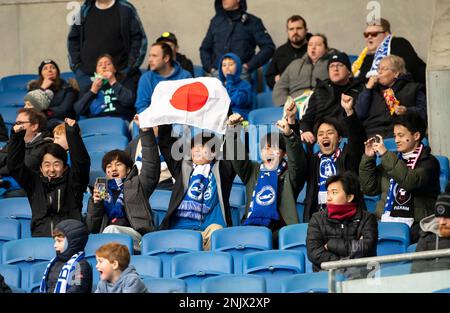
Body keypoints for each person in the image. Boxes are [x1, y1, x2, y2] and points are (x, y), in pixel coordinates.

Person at [227, 106, 307, 240]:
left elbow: (298, 161)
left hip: (281, 231)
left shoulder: (290, 174)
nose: (268, 151)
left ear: (284, 153)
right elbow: (237, 157)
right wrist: (233, 131)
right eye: (265, 148)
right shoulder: (253, 171)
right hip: (252, 229)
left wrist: (289, 135)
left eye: (274, 147)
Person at [359, 112, 441, 243]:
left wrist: (385, 154)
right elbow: (369, 188)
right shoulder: (392, 161)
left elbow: (410, 181)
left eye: (401, 135)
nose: (396, 140)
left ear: (416, 136)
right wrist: (368, 158)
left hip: (417, 224)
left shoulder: (429, 163)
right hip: (385, 220)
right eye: (395, 135)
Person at [7, 118, 90, 237]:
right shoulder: (33, 183)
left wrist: (72, 134)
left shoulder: (74, 182)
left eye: (56, 164)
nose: (51, 170)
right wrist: (16, 137)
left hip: (70, 239)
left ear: (65, 167)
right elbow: (14, 166)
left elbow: (82, 163)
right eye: (47, 165)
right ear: (40, 168)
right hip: (41, 241)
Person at [157, 125, 236, 250]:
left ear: (214, 152)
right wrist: (165, 121)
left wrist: (232, 126)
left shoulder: (222, 171)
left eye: (202, 146)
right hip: (180, 230)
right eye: (194, 147)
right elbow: (166, 143)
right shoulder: (182, 169)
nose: (197, 150)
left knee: (217, 232)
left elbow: (232, 148)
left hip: (208, 231)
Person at [86, 128, 160, 252]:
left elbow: (151, 165)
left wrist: (146, 133)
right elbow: (92, 228)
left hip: (136, 238)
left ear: (128, 169)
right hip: (109, 239)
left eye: (118, 164)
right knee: (108, 231)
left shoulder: (137, 184)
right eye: (109, 166)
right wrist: (96, 204)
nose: (113, 169)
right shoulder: (102, 191)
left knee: (111, 230)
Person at [299, 95, 366, 222]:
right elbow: (296, 159)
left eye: (330, 133)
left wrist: (349, 112)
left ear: (339, 138)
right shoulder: (312, 161)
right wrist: (292, 124)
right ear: (317, 141)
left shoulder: (347, 155)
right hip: (318, 217)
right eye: (320, 134)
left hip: (347, 217)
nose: (325, 137)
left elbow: (357, 139)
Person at [67, 0, 147, 95]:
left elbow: (139, 39)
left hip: (120, 78)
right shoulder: (83, 11)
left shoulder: (126, 9)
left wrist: (129, 69)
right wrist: (78, 69)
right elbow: (72, 40)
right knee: (86, 109)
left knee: (122, 109)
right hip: (87, 78)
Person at [306, 172, 378, 272]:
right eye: (328, 193)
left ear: (349, 197)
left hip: (360, 275)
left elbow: (366, 248)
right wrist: (344, 263)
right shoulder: (317, 219)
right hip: (325, 276)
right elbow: (314, 253)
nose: (328, 198)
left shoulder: (367, 219)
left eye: (334, 192)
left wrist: (331, 244)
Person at [200, 0, 275, 81]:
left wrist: (248, 66)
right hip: (217, 75)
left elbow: (268, 47)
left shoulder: (252, 22)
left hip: (240, 76)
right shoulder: (216, 21)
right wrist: (211, 69)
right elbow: (204, 49)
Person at [355, 55, 426, 138]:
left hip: (400, 137)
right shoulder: (371, 90)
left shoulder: (413, 89)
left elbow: (424, 113)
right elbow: (359, 114)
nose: (379, 72)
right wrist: (367, 89)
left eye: (384, 69)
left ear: (396, 73)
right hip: (372, 136)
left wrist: (407, 111)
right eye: (378, 69)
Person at [299, 52, 363, 144]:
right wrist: (305, 130)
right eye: (331, 66)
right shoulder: (320, 90)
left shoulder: (359, 90)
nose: (335, 69)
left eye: (340, 65)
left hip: (349, 136)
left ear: (349, 71)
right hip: (322, 137)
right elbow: (307, 118)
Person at [352, 18, 426, 86]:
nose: (369, 37)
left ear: (387, 34)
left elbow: (406, 70)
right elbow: (361, 80)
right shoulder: (367, 57)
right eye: (366, 34)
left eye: (374, 34)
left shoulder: (398, 43)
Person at [272, 34, 331, 107]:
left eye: (318, 45)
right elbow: (280, 87)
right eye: (310, 45)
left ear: (326, 49)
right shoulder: (295, 64)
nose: (313, 47)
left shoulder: (332, 64)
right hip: (295, 105)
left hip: (322, 104)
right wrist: (286, 104)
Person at [134, 42, 192, 114]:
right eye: (150, 56)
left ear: (166, 58)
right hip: (153, 119)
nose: (150, 60)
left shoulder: (185, 77)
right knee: (135, 124)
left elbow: (188, 107)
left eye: (154, 56)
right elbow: (141, 106)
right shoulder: (146, 78)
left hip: (178, 120)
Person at [73, 54, 135, 121]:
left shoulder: (125, 81)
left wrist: (113, 82)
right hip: (96, 122)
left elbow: (129, 101)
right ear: (96, 71)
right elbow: (78, 110)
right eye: (100, 65)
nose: (104, 67)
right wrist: (92, 91)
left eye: (108, 64)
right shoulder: (90, 86)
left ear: (114, 69)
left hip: (120, 120)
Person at [40, 219, 92, 293]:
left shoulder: (79, 266)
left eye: (59, 241)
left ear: (73, 242)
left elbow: (75, 290)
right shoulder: (54, 262)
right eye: (55, 241)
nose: (55, 245)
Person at [27, 59, 78, 130]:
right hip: (39, 122)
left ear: (57, 72)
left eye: (52, 67)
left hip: (60, 121)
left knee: (53, 123)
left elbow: (64, 110)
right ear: (41, 74)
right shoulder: (34, 89)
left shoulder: (68, 87)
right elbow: (30, 108)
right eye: (45, 68)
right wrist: (42, 88)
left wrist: (43, 112)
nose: (49, 70)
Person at [265, 15, 312, 89]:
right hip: (287, 94)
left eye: (299, 28)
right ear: (287, 31)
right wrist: (277, 79)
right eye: (291, 29)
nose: (295, 32)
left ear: (306, 30)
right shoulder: (280, 52)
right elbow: (269, 78)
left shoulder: (315, 48)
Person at [412, 192, 450, 272]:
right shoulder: (427, 239)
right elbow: (416, 274)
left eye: (447, 217)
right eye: (439, 217)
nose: (442, 222)